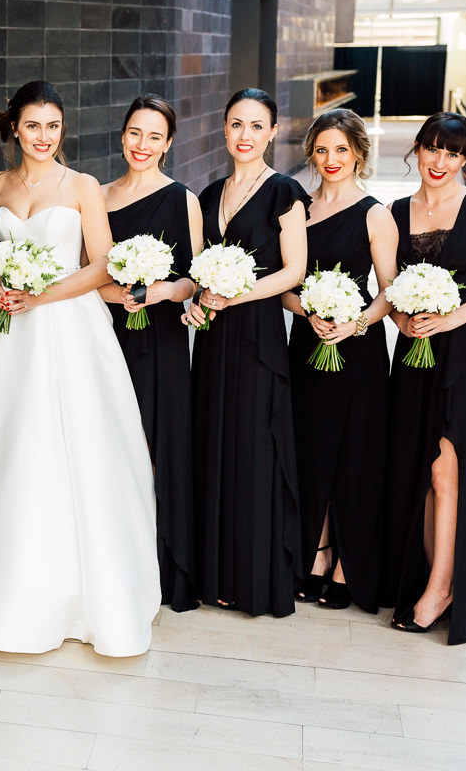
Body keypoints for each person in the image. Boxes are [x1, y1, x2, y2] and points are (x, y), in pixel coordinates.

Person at [0, 80, 160, 657]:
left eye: (53, 126)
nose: (44, 136)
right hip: (10, 332)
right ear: (14, 128)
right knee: (11, 447)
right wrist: (0, 288)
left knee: (78, 448)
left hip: (69, 328)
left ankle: (85, 595)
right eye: (33, 125)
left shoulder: (82, 186)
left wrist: (42, 295)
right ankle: (3, 586)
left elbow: (103, 264)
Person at [381, 112, 466, 643]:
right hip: (415, 352)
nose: (441, 162)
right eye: (433, 149)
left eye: (454, 153)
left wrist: (452, 318)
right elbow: (389, 286)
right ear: (417, 149)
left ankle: (442, 589)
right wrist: (402, 320)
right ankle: (428, 578)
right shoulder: (395, 212)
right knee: (421, 468)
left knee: (447, 470)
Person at [183, 87, 309, 617]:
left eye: (257, 126)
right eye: (237, 124)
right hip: (215, 339)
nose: (245, 135)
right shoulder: (210, 193)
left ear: (273, 132)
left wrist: (235, 293)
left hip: (258, 334)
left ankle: (254, 579)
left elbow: (294, 271)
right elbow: (198, 269)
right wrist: (198, 303)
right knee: (214, 443)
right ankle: (215, 574)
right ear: (224, 127)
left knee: (254, 449)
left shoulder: (285, 191)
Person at [279, 109, 397, 614]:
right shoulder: (297, 209)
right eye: (322, 149)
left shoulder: (375, 213)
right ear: (311, 152)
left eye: (341, 150)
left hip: (358, 350)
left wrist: (355, 323)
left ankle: (347, 565)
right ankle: (318, 552)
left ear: (359, 154)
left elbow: (390, 292)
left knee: (353, 456)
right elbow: (285, 284)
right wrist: (308, 312)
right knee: (312, 451)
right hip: (307, 344)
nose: (331, 159)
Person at [98, 94, 203, 612]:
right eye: (135, 133)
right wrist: (116, 294)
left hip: (160, 338)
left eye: (155, 136)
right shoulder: (97, 196)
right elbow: (87, 274)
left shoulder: (183, 199)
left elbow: (193, 279)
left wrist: (162, 291)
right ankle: (113, 557)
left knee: (156, 444)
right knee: (111, 444)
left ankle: (156, 562)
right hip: (106, 334)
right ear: (122, 137)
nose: (143, 144)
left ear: (168, 143)